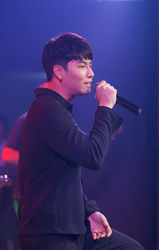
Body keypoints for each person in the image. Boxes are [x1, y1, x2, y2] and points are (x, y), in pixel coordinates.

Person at [17, 32, 144, 250]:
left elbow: (62, 175)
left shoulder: (56, 108)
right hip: (49, 234)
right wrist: (105, 108)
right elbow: (92, 156)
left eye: (90, 65)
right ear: (58, 71)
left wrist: (89, 211)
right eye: (82, 66)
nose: (91, 73)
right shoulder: (46, 108)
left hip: (71, 228)